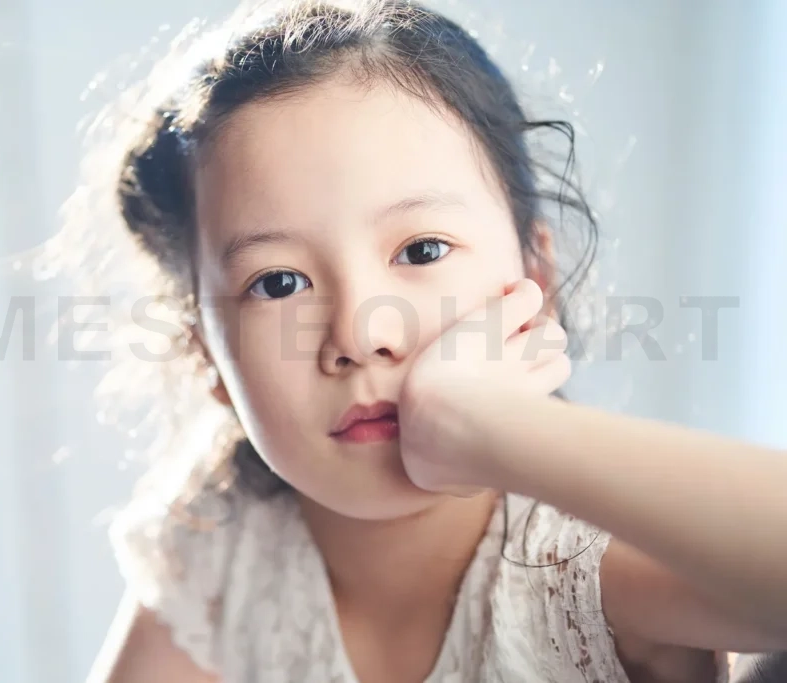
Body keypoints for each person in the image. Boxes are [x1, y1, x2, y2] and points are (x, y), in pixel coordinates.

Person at [72, 1, 787, 681]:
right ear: (209, 360)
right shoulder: (221, 548)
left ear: (533, 280)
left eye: (421, 251)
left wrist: (494, 427)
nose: (360, 332)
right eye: (280, 283)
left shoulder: (582, 562)